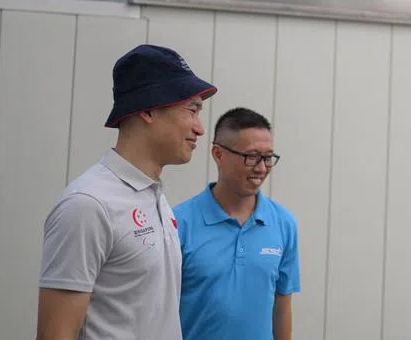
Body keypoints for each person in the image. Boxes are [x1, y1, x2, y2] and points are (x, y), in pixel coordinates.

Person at [36, 44, 217, 340]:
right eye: (192, 110)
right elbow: (55, 334)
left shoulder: (156, 199)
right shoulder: (88, 205)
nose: (200, 129)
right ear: (147, 110)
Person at [174, 107, 300, 340]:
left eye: (268, 158)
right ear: (218, 154)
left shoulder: (284, 224)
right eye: (251, 157)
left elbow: (282, 306)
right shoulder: (178, 223)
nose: (261, 168)